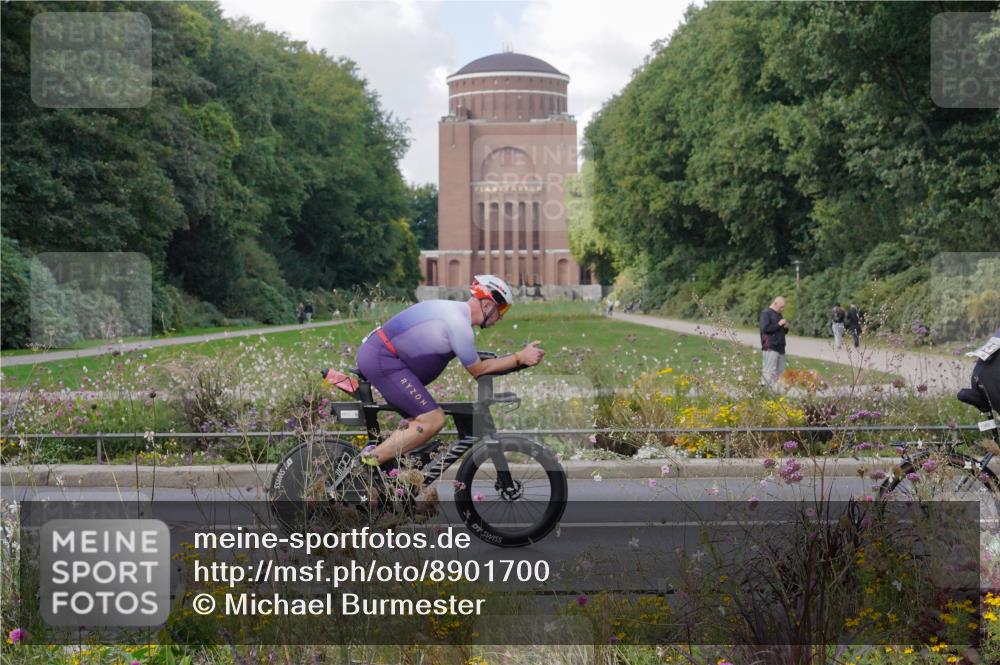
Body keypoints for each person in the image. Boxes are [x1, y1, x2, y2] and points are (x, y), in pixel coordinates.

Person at [355, 275, 544, 471]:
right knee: (433, 419)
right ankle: (366, 464)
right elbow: (478, 370)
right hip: (383, 359)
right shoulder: (458, 323)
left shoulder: (455, 314)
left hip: (382, 357)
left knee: (418, 430)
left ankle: (391, 476)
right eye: (502, 309)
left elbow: (476, 361)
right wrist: (519, 357)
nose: (502, 316)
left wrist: (515, 360)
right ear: (488, 304)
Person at [759, 296, 789, 388]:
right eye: (781, 307)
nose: (782, 309)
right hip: (770, 346)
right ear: (775, 303)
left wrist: (786, 327)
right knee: (769, 371)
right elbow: (765, 329)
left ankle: (776, 391)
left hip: (780, 347)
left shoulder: (779, 314)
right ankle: (764, 389)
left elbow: (781, 331)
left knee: (780, 372)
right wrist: (779, 324)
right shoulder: (766, 313)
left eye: (783, 307)